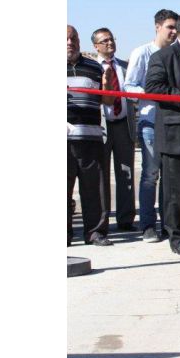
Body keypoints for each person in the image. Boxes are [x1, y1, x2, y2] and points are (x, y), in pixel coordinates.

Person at [124, 9, 180, 242]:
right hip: (150, 120)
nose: (173, 31)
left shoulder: (178, 54)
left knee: (170, 176)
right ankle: (147, 224)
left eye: (176, 27)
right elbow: (129, 87)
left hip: (173, 121)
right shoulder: (142, 53)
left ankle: (169, 224)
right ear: (157, 27)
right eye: (169, 27)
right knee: (150, 174)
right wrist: (152, 92)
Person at [145, 9, 180, 256]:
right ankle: (178, 238)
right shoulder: (163, 57)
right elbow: (154, 88)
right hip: (176, 134)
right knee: (177, 191)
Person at [68, 25, 114, 247]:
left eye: (73, 38)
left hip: (91, 137)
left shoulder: (94, 67)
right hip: (65, 140)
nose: (70, 42)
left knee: (94, 189)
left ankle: (95, 233)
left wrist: (106, 87)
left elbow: (107, 102)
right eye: (65, 39)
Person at [92, 27, 137, 234]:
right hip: (102, 125)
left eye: (112, 39)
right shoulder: (92, 68)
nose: (110, 43)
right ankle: (102, 221)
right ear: (96, 46)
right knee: (101, 175)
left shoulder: (125, 67)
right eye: (105, 41)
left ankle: (126, 218)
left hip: (123, 124)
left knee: (126, 172)